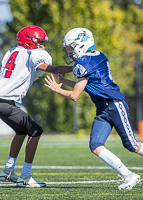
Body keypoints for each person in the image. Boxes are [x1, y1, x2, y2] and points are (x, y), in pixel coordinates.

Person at [44, 27, 143, 190]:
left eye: (70, 48)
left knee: (132, 145)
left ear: (81, 45)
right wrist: (63, 81)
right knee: (96, 145)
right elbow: (84, 85)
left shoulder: (84, 63)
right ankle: (129, 175)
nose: (69, 52)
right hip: (103, 109)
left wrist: (57, 89)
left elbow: (75, 96)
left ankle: (129, 175)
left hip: (114, 104)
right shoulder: (95, 57)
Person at [0, 25, 73, 187]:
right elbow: (52, 69)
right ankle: (26, 176)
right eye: (40, 43)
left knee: (21, 131)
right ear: (29, 42)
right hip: (4, 101)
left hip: (3, 101)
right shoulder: (31, 55)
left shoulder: (12, 51)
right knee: (36, 130)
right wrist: (76, 67)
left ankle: (7, 171)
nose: (43, 47)